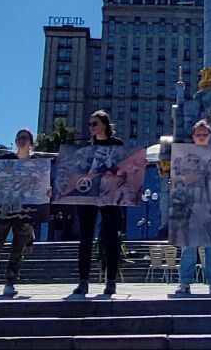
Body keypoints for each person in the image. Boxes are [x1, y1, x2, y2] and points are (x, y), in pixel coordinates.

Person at [0, 128, 40, 297]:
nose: (21, 140)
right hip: (3, 208)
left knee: (18, 248)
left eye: (25, 138)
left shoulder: (37, 164)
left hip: (24, 211)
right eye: (19, 137)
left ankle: (10, 281)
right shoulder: (6, 160)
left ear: (31, 142)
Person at [72, 110, 125, 297]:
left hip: (110, 195)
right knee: (85, 238)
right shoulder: (86, 148)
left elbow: (121, 169)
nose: (91, 127)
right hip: (88, 196)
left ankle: (111, 281)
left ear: (105, 124)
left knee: (110, 238)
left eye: (94, 123)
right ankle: (83, 281)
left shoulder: (117, 145)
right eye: (90, 124)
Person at [174, 119, 211, 296]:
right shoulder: (184, 157)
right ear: (193, 136)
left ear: (210, 136)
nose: (201, 137)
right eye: (198, 135)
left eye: (204, 134)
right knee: (188, 248)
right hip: (190, 207)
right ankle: (184, 283)